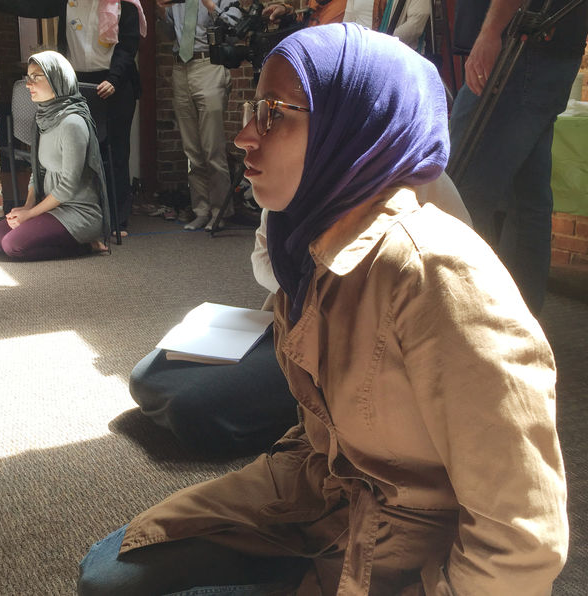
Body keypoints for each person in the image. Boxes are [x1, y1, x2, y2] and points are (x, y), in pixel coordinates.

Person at [78, 24, 567, 595]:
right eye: (251, 110)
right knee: (108, 575)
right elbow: (323, 429)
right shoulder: (308, 237)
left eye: (273, 113)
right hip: (324, 496)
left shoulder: (437, 272)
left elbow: (523, 538)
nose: (243, 137)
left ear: (350, 123)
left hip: (411, 548)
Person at [129, 172, 470, 459]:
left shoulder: (413, 177)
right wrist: (302, 279)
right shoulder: (292, 166)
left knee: (190, 410)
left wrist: (310, 279)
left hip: (353, 350)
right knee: (147, 375)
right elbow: (262, 259)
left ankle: (313, 419)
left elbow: (448, 286)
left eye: (274, 113)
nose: (245, 139)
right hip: (294, 320)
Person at [448, 0, 588, 315]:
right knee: (527, 205)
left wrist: (492, 29)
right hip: (545, 41)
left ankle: (461, 334)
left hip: (522, 41)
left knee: (458, 200)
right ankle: (517, 336)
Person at [0, 51, 111, 259]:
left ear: (57, 80)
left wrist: (30, 215)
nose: (28, 84)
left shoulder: (73, 123)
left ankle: (87, 245)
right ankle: (50, 233)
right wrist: (27, 206)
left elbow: (68, 186)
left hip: (77, 213)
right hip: (50, 207)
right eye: (28, 77)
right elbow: (39, 171)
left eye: (36, 77)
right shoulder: (44, 118)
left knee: (13, 245)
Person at [155, 0, 241, 231]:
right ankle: (201, 210)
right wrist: (161, 12)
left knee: (213, 148)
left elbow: (234, 27)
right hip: (181, 69)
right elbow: (168, 35)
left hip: (209, 65)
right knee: (191, 149)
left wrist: (209, 5)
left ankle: (220, 211)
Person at [65, 0, 146, 237]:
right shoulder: (68, 3)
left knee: (116, 151)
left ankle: (117, 220)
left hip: (115, 83)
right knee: (83, 151)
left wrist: (114, 78)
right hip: (78, 81)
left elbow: (128, 47)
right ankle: (88, 214)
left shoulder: (126, 6)